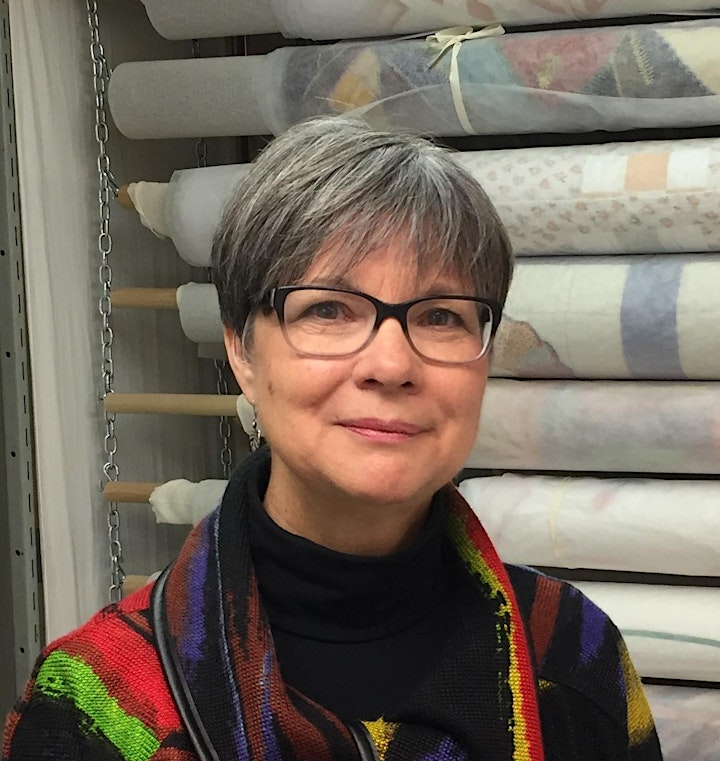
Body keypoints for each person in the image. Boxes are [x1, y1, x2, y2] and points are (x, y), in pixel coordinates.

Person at [3, 117, 662, 761]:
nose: (392, 364)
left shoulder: (572, 655)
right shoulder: (96, 709)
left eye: (440, 317)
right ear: (242, 350)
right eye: (328, 309)